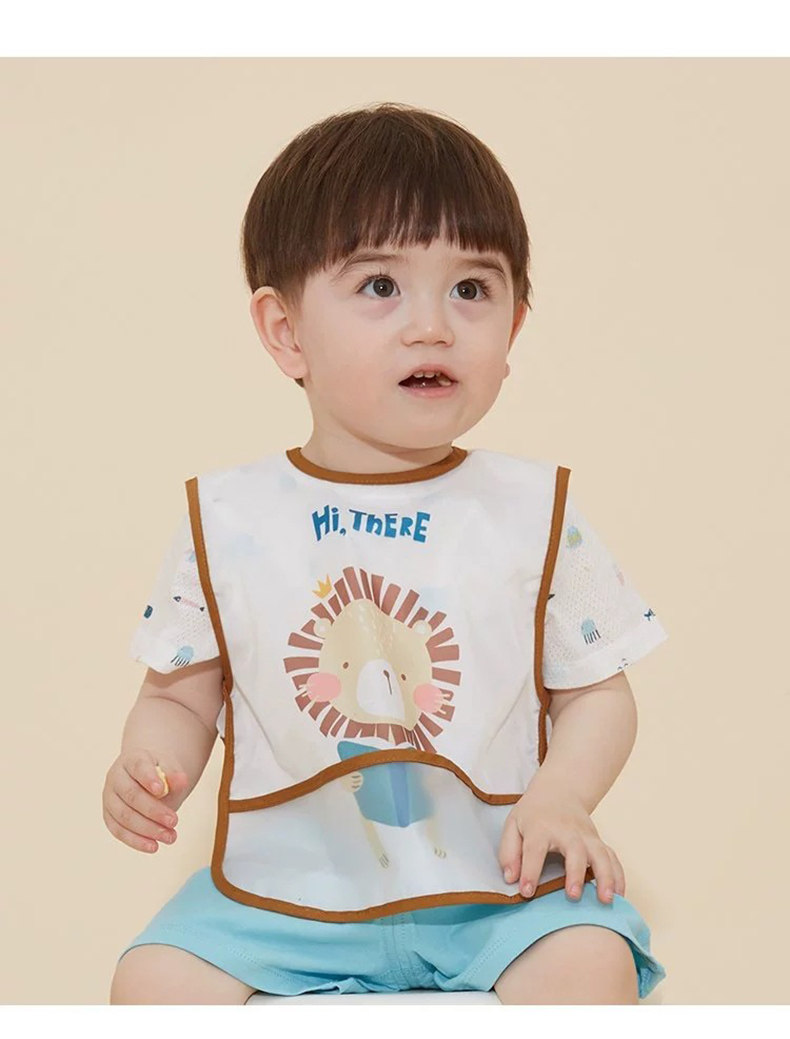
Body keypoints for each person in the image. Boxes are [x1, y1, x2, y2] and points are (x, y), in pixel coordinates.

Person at [105, 102, 669, 1005]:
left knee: (589, 962)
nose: (433, 326)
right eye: (380, 286)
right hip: (284, 898)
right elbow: (179, 692)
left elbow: (596, 691)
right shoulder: (231, 519)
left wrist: (562, 795)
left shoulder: (534, 514)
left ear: (516, 326)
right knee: (152, 982)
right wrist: (151, 766)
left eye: (471, 289)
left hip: (496, 885)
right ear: (286, 331)